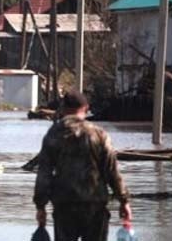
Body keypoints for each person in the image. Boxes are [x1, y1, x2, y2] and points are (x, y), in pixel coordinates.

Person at [34, 90, 131, 241]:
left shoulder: (54, 134)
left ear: (63, 109)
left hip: (64, 205)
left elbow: (44, 173)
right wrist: (123, 201)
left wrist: (41, 206)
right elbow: (112, 171)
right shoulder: (98, 134)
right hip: (95, 205)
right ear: (86, 108)